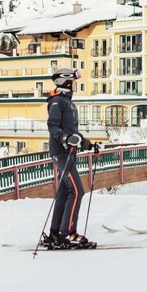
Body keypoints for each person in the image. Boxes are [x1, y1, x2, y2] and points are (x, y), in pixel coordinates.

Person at [44, 68, 95, 248]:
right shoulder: (58, 102)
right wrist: (64, 138)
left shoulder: (68, 103)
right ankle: (68, 233)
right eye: (73, 81)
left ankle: (55, 233)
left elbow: (73, 133)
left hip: (68, 153)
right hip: (61, 153)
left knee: (65, 192)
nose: (74, 85)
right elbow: (52, 126)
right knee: (77, 191)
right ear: (65, 82)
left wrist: (88, 144)